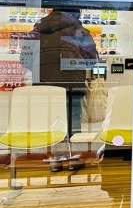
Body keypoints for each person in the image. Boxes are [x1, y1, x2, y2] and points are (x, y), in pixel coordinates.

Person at [21, 9, 100, 171]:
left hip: (44, 86)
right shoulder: (79, 30)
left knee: (53, 121)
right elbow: (93, 60)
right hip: (72, 83)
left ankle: (55, 159)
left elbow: (24, 60)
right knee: (73, 121)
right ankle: (74, 158)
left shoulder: (37, 30)